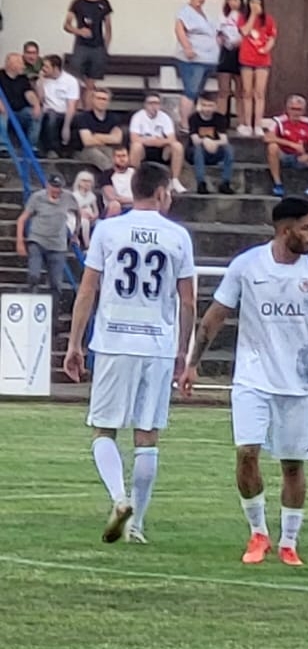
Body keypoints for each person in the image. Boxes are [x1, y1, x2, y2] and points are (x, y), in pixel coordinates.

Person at [180, 197, 308, 566]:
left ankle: (289, 541)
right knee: (247, 452)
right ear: (285, 230)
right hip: (253, 377)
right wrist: (192, 363)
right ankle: (258, 532)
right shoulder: (247, 265)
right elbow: (216, 315)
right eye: (307, 228)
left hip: (300, 382)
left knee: (293, 464)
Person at [62, 164, 197, 546]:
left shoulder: (108, 230)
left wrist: (75, 343)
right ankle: (136, 524)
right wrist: (182, 351)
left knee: (104, 428)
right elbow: (188, 300)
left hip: (114, 340)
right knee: (147, 435)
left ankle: (119, 498)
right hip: (156, 343)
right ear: (161, 193)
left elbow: (88, 289)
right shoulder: (177, 236)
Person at [16, 174, 73, 299]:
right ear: (47, 185)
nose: (56, 190)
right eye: (53, 187)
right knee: (34, 276)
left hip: (58, 245)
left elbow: (78, 213)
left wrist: (76, 235)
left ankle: (54, 309)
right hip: (37, 240)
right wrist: (20, 241)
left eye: (59, 187)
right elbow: (22, 219)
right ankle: (31, 301)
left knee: (56, 283)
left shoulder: (68, 197)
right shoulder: (37, 197)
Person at [264, 95, 308, 198]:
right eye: (293, 109)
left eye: (299, 110)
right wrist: (291, 144)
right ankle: (278, 184)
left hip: (299, 157)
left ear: (304, 111)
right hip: (284, 155)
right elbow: (267, 138)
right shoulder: (279, 121)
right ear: (287, 109)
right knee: (272, 147)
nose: (296, 112)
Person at [128, 93, 188, 194]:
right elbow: (134, 138)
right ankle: (133, 179)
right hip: (144, 150)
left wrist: (157, 141)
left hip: (162, 150)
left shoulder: (165, 117)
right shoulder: (137, 117)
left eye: (156, 103)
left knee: (177, 146)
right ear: (145, 104)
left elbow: (172, 139)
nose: (153, 106)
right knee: (136, 146)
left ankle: (175, 180)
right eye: (151, 103)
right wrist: (152, 141)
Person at [174, 0, 219, 126]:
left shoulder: (205, 14)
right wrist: (187, 47)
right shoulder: (185, 12)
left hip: (208, 59)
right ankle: (184, 123)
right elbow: (179, 30)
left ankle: (192, 121)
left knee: (198, 91)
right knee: (191, 90)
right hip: (193, 60)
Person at [64, 0, 113, 109]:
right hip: (81, 46)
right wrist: (79, 31)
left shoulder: (104, 2)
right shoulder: (78, 3)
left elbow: (108, 28)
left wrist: (105, 48)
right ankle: (76, 110)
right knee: (76, 81)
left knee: (91, 84)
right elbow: (67, 25)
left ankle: (88, 111)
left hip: (98, 47)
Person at [237, 0, 276, 137]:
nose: (255, 5)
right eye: (253, 2)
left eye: (258, 3)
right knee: (247, 92)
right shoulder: (242, 18)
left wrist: (266, 48)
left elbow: (272, 37)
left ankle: (258, 124)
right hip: (246, 58)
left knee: (259, 93)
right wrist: (253, 15)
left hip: (262, 60)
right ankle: (248, 124)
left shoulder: (268, 19)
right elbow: (244, 31)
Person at [188, 93, 235, 194]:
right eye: (204, 105)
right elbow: (195, 140)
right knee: (198, 148)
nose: (207, 109)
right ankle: (201, 183)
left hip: (214, 149)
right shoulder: (194, 118)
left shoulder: (220, 118)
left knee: (228, 149)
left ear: (215, 106)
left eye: (210, 106)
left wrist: (214, 143)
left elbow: (224, 140)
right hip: (195, 152)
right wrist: (205, 141)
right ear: (199, 106)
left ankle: (225, 183)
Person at [37, 56, 80, 158]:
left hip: (64, 112)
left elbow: (71, 105)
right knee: (50, 117)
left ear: (55, 68)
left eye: (46, 67)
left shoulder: (70, 81)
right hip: (48, 111)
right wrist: (41, 82)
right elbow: (40, 100)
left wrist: (66, 126)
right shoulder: (42, 80)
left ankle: (68, 150)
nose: (43, 69)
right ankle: (52, 150)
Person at [70, 88, 123, 172]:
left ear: (108, 102)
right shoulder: (83, 117)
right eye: (98, 98)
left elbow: (117, 139)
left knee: (116, 156)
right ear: (92, 100)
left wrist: (96, 136)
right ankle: (112, 176)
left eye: (104, 99)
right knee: (99, 157)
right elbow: (87, 141)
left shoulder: (113, 118)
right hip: (84, 151)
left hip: (106, 149)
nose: (101, 101)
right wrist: (108, 138)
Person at [0, 53, 42, 148]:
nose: (23, 66)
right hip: (4, 111)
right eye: (20, 63)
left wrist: (36, 105)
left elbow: (29, 93)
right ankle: (2, 147)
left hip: (19, 111)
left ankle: (31, 146)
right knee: (1, 115)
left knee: (36, 114)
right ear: (12, 65)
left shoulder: (23, 78)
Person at [216, 0, 245, 121]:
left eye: (235, 0)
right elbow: (217, 32)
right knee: (223, 91)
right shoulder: (222, 16)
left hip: (241, 53)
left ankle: (242, 121)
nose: (232, 3)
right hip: (225, 53)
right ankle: (220, 121)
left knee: (240, 92)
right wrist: (220, 38)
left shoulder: (244, 17)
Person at [99, 146, 135, 216]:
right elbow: (112, 197)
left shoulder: (135, 172)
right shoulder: (107, 175)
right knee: (115, 204)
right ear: (113, 158)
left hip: (135, 207)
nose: (122, 159)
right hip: (117, 208)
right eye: (118, 156)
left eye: (124, 156)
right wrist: (134, 201)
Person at [70, 170, 101, 249]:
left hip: (90, 217)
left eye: (89, 181)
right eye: (84, 181)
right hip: (76, 217)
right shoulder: (74, 195)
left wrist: (95, 216)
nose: (86, 184)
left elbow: (96, 210)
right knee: (84, 222)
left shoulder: (92, 196)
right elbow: (74, 210)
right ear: (79, 182)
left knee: (100, 223)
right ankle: (87, 243)